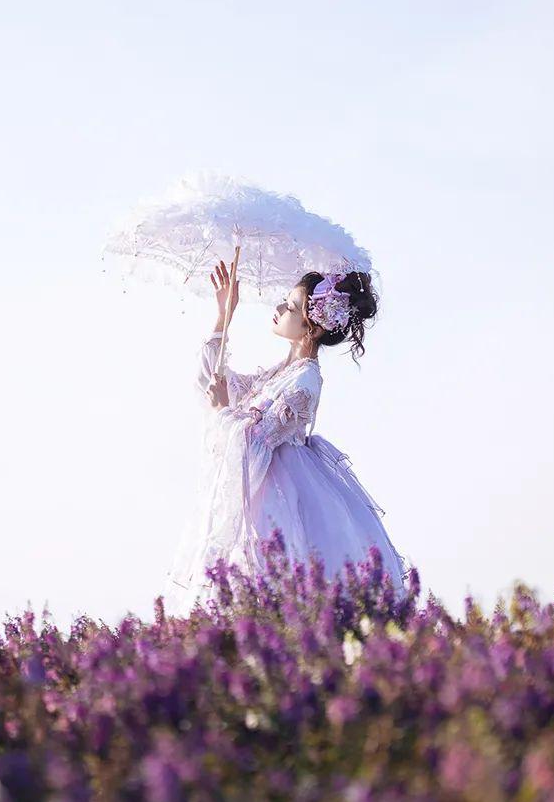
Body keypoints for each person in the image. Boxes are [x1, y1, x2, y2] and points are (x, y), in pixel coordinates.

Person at [163, 255, 410, 612]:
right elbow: (211, 382)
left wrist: (222, 410)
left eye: (292, 306)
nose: (280, 308)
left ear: (314, 325)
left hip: (282, 499)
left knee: (282, 590)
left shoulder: (303, 381)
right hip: (263, 493)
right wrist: (224, 315)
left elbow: (253, 443)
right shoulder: (280, 372)